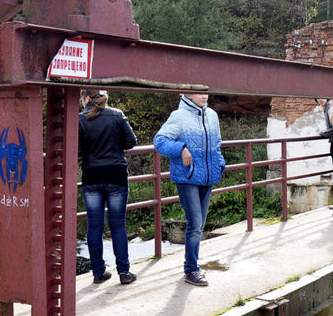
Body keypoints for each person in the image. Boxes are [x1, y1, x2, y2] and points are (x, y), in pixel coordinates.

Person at [154, 93, 226, 287]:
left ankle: (192, 266)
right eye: (199, 92)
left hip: (208, 177)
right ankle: (191, 269)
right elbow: (159, 142)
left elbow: (217, 143)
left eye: (206, 91)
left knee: (199, 224)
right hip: (187, 178)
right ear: (187, 94)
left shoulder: (211, 115)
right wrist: (181, 148)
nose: (205, 95)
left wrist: (219, 162)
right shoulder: (178, 116)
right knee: (195, 222)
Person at [78, 90, 138, 286]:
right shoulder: (117, 114)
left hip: (92, 176)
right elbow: (131, 142)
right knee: (118, 225)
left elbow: (76, 150)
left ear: (86, 98)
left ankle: (98, 272)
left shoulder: (79, 119)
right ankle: (124, 272)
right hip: (116, 175)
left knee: (94, 227)